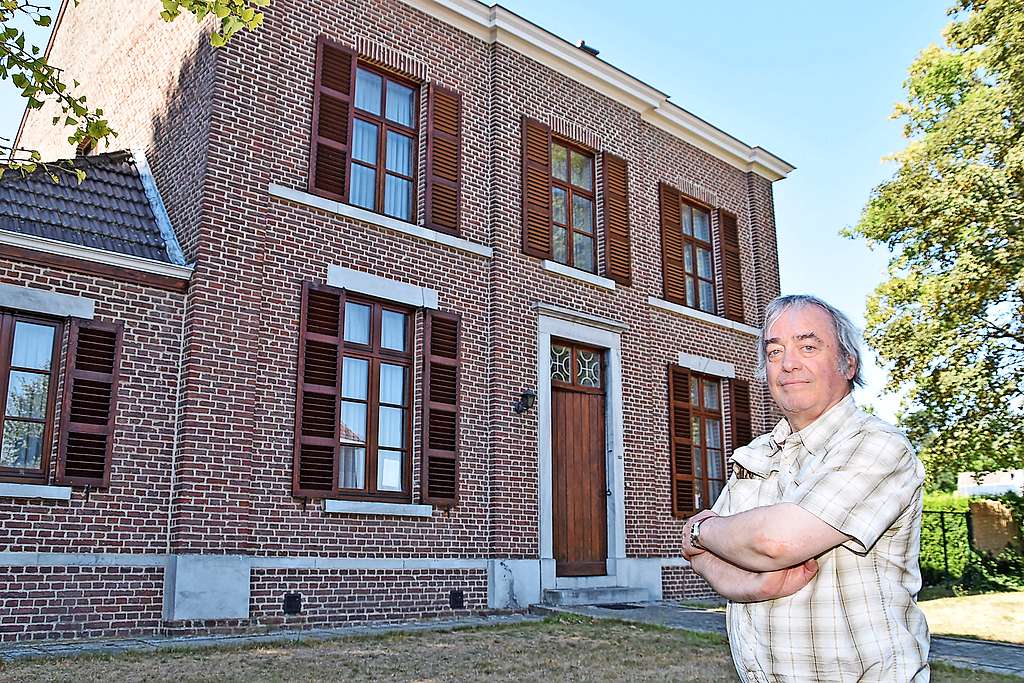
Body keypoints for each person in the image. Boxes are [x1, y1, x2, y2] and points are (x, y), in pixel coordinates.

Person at [681, 294, 929, 682]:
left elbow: (774, 543)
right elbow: (701, 559)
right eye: (774, 351)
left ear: (848, 363)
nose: (788, 364)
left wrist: (700, 529)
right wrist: (752, 584)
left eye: (808, 346)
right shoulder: (756, 454)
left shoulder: (878, 445)